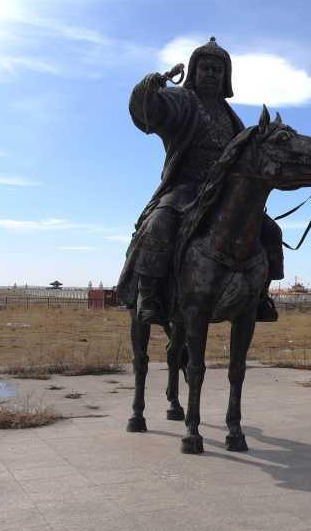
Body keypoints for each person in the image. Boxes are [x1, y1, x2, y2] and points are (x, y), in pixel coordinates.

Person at [118, 37, 282, 323]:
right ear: (194, 71)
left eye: (217, 70)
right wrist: (151, 87)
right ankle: (149, 295)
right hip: (185, 188)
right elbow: (150, 111)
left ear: (225, 77)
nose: (211, 74)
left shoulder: (233, 118)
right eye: (205, 68)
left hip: (223, 193)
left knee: (270, 231)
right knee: (158, 225)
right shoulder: (182, 101)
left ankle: (259, 295)